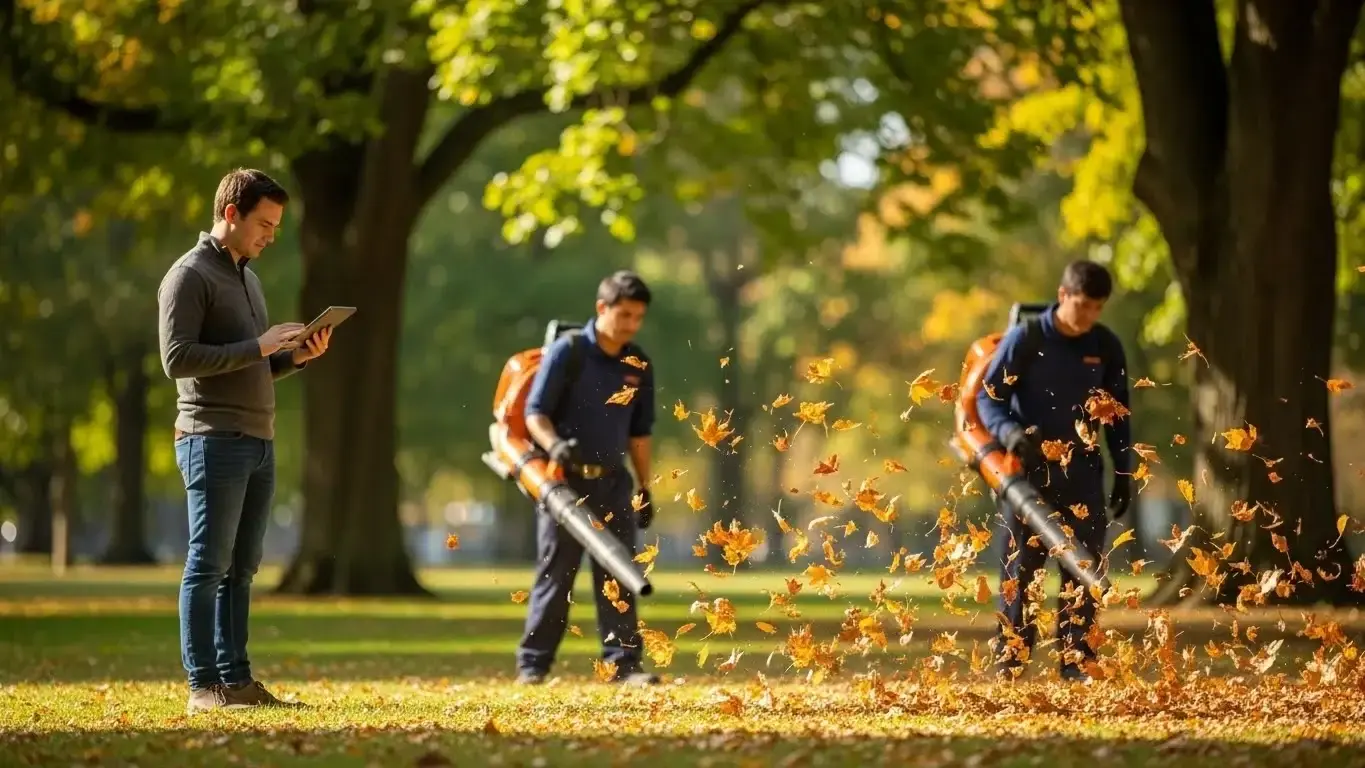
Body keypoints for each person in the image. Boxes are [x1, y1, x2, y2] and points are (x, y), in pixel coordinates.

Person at [157, 168, 333, 713]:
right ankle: (202, 687)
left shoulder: (247, 278)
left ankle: (237, 682)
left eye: (277, 225)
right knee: (207, 563)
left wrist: (295, 357)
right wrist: (258, 347)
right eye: (264, 223)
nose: (271, 235)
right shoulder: (188, 276)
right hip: (211, 439)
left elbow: (250, 364)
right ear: (231, 214)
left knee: (243, 567)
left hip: (258, 438)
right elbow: (177, 359)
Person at [976, 259, 1134, 682]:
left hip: (1083, 473)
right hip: (1027, 473)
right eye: (1083, 305)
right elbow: (988, 400)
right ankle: (1011, 661)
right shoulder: (1026, 340)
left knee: (1082, 569)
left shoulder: (1105, 346)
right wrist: (1009, 434)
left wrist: (1124, 471)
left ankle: (1076, 663)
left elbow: (1118, 415)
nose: (1089, 316)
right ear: (1063, 296)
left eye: (1097, 308)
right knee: (1020, 572)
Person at [515, 270, 659, 685]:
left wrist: (645, 488)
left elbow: (639, 433)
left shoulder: (639, 364)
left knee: (618, 573)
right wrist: (554, 445)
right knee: (555, 576)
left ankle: (624, 665)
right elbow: (535, 412)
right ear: (602, 308)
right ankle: (533, 666)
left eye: (638, 317)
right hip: (564, 483)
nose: (631, 324)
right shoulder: (569, 352)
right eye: (625, 315)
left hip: (614, 483)